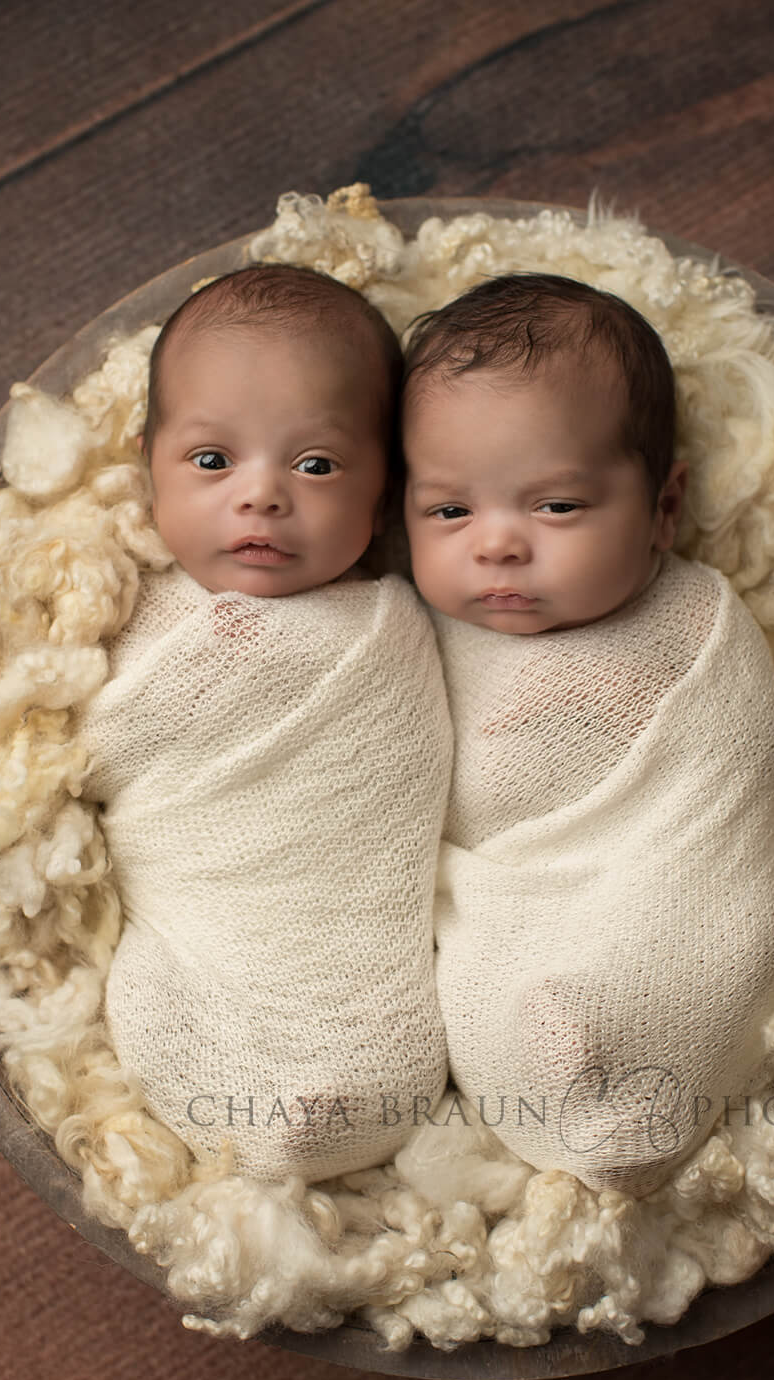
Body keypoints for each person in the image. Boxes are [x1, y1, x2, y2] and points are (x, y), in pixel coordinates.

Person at [402, 273, 774, 1194]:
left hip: (661, 878)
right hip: (511, 908)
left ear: (664, 507)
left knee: (713, 953)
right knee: (496, 1004)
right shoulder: (416, 631)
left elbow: (729, 777)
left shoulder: (695, 622)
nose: (496, 544)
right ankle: (556, 1047)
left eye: (556, 506)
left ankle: (630, 1042)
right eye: (450, 510)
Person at [77, 265, 450, 1183]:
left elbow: (413, 789)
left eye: (316, 465)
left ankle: (354, 1085)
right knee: (165, 993)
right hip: (206, 940)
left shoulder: (393, 630)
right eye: (212, 462)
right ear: (146, 462)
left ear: (385, 491)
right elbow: (80, 762)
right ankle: (253, 1094)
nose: (261, 497)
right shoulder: (120, 616)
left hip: (354, 960)